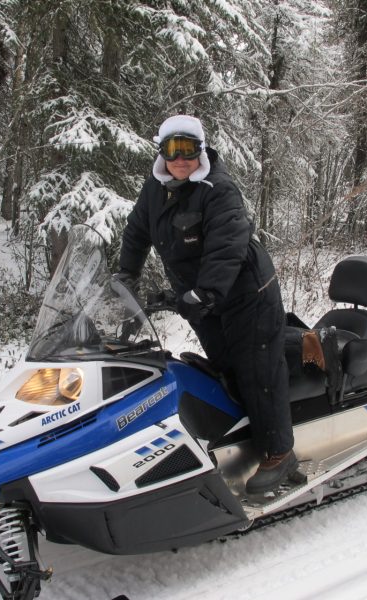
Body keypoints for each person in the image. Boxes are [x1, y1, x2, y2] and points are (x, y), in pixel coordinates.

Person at [117, 114, 296, 494]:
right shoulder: (156, 188)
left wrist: (205, 293)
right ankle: (242, 436)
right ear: (161, 152)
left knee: (257, 370)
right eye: (172, 150)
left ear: (201, 151)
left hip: (247, 293)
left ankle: (280, 453)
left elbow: (227, 246)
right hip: (203, 298)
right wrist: (124, 276)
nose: (181, 159)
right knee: (225, 369)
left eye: (189, 150)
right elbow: (136, 232)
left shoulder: (218, 189)